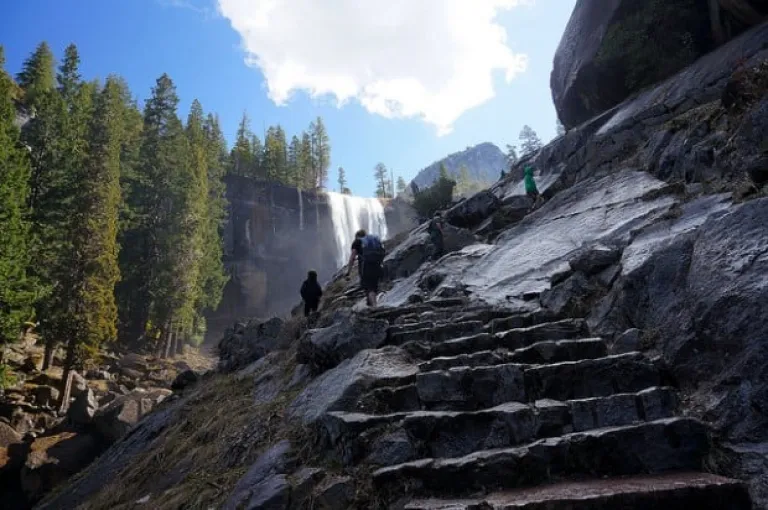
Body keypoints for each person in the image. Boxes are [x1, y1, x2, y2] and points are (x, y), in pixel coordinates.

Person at [346, 229, 385, 307]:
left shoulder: (357, 242)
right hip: (377, 265)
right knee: (374, 286)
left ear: (357, 236)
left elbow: (352, 257)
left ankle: (374, 306)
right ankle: (371, 304)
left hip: (366, 267)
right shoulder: (373, 240)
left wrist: (348, 271)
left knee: (369, 287)